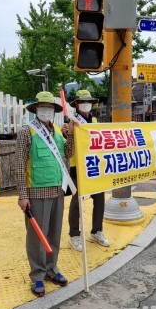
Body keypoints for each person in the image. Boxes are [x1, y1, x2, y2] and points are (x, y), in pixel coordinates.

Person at [14, 91, 75, 297]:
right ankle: (37, 276)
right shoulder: (26, 132)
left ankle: (51, 268)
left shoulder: (58, 130)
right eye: (43, 107)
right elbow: (19, 164)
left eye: (50, 107)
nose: (46, 110)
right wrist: (23, 195)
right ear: (36, 109)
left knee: (54, 233)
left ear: (54, 110)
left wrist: (72, 134)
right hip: (36, 192)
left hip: (57, 190)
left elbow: (68, 154)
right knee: (36, 238)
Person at [66, 90, 109, 252]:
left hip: (95, 166)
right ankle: (74, 234)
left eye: (88, 101)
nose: (86, 104)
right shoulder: (71, 121)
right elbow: (67, 145)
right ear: (76, 104)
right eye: (83, 102)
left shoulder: (95, 120)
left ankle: (97, 231)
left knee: (99, 199)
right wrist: (69, 131)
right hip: (78, 166)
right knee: (77, 202)